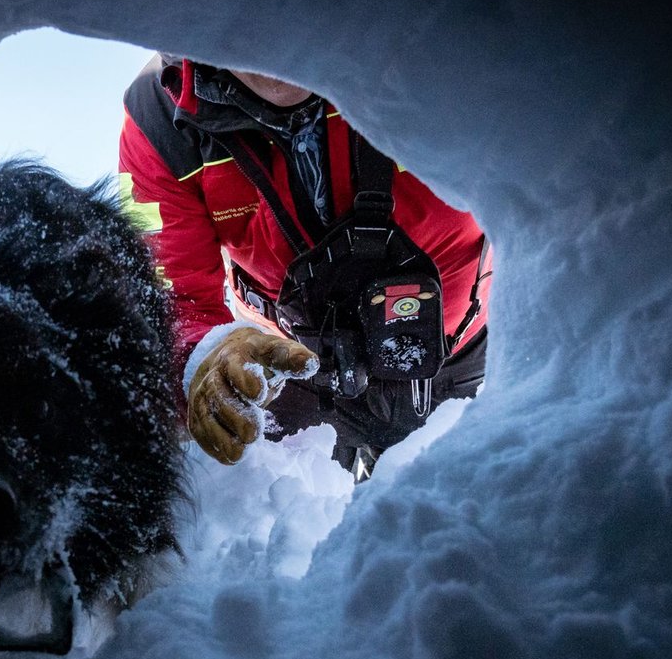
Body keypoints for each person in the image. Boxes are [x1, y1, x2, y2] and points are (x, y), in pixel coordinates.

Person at [118, 56, 492, 480]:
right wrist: (205, 355)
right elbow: (171, 295)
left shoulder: (450, 54)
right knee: (271, 527)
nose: (269, 52)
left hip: (458, 358)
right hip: (286, 371)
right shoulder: (158, 120)